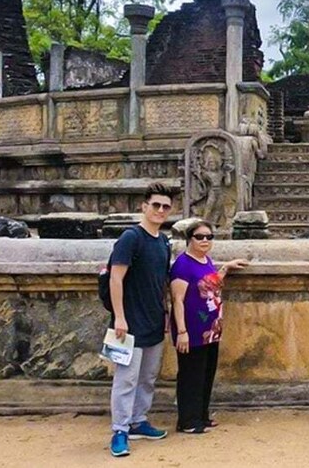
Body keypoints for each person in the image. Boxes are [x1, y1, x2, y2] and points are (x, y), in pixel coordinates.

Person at [108, 182, 174, 457]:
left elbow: (162, 282)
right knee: (126, 379)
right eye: (155, 205)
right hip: (129, 323)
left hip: (154, 319)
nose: (160, 210)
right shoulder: (130, 237)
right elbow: (115, 276)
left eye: (165, 207)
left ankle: (139, 420)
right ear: (144, 206)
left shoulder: (163, 242)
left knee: (147, 377)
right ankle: (120, 430)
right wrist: (119, 317)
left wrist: (167, 314)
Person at [170, 220, 249, 434]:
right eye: (200, 237)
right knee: (190, 374)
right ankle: (187, 421)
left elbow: (209, 284)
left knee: (205, 373)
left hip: (211, 329)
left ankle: (201, 416)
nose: (205, 240)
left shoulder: (205, 260)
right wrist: (182, 332)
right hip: (192, 330)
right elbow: (177, 300)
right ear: (190, 239)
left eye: (209, 237)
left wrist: (225, 268)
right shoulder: (182, 265)